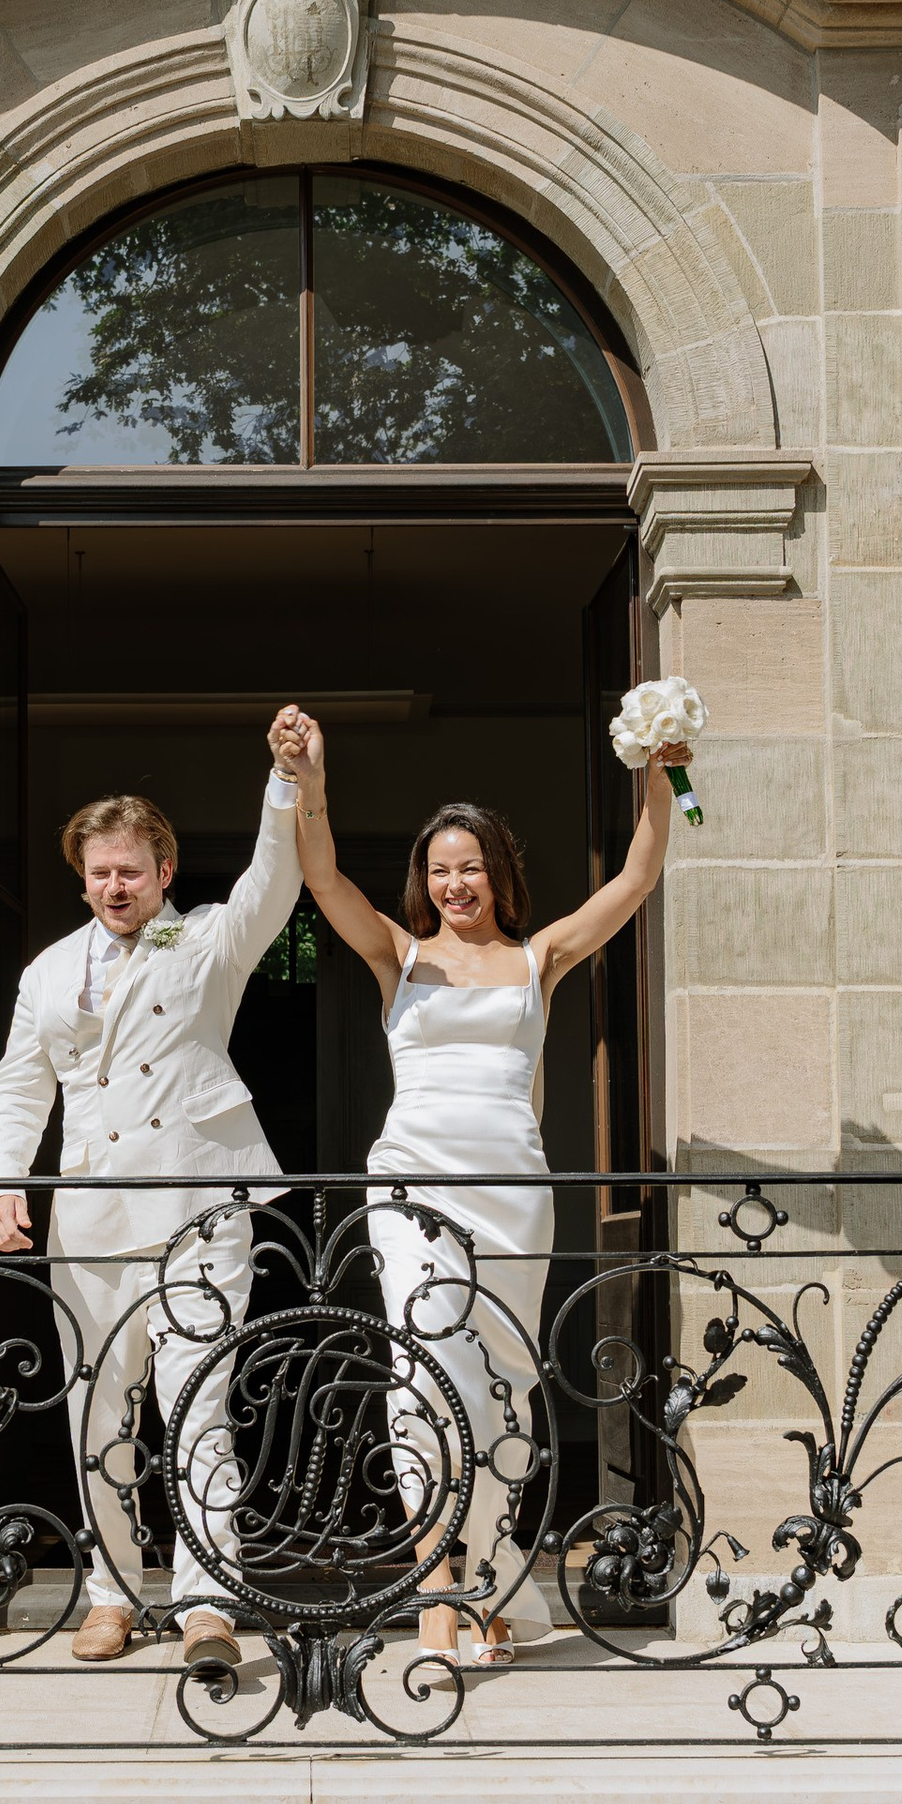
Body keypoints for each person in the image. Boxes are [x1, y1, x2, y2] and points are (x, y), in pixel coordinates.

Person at [271, 705, 678, 1667]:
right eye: (438, 869)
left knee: (504, 1385)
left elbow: (636, 878)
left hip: (511, 1192)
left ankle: (491, 1574)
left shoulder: (540, 957)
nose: (454, 884)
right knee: (423, 1370)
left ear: (498, 872)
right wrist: (310, 783)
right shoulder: (400, 954)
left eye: (470, 867)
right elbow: (321, 876)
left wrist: (664, 774)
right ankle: (434, 1588)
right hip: (411, 1183)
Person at [0, 735, 303, 1665]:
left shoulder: (203, 939)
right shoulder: (48, 970)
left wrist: (285, 782)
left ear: (164, 870)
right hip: (91, 1210)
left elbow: (272, 880)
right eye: (100, 872)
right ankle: (112, 1592)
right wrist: (3, 1182)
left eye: (130, 870)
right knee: (97, 1411)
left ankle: (207, 1601)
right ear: (82, 878)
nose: (114, 886)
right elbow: (20, 1086)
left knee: (197, 1403)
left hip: (196, 1203)